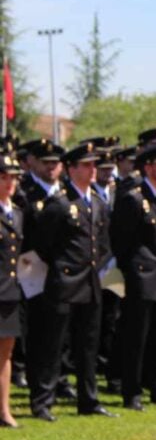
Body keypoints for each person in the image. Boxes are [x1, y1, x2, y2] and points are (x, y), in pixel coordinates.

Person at [26, 143, 115, 421]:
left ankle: (88, 399)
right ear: (72, 169)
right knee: (53, 345)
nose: (92, 171)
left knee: (87, 345)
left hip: (90, 283)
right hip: (63, 283)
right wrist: (63, 267)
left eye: (93, 165)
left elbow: (102, 244)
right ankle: (43, 401)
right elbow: (42, 246)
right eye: (86, 165)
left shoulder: (97, 203)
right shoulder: (60, 204)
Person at [110, 141, 156, 411]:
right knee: (136, 337)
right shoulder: (133, 198)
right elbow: (121, 241)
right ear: (148, 167)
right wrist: (132, 271)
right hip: (141, 276)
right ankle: (132, 391)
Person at [0, 156, 23, 428]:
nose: (10, 183)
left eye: (13, 178)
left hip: (10, 291)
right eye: (4, 177)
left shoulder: (15, 212)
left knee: (6, 353)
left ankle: (4, 410)